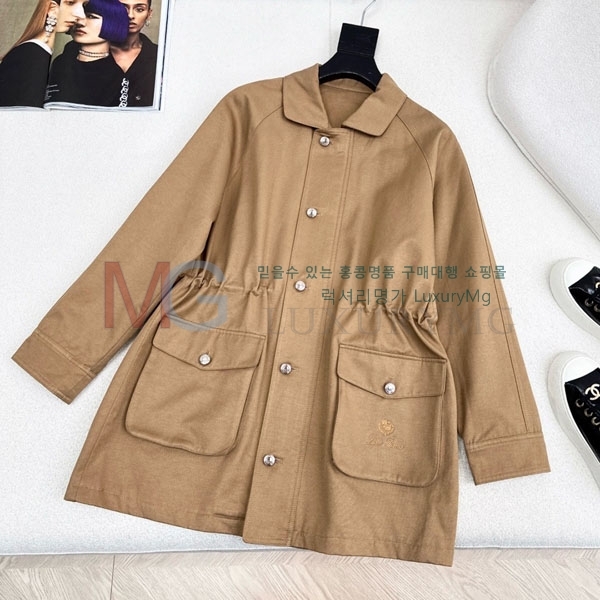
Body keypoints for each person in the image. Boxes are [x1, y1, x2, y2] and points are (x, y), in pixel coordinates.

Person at [0, 0, 87, 108]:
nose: (81, 15)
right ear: (51, 8)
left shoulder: (36, 51)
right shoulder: (33, 55)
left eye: (84, 6)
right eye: (70, 3)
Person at [46, 0, 129, 107]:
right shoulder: (61, 62)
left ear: (113, 21)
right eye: (78, 15)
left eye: (91, 16)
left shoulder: (115, 76)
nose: (80, 22)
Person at [111, 1, 159, 107]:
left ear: (149, 14)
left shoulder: (160, 56)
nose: (130, 15)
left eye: (139, 9)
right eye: (123, 8)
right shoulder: (85, 50)